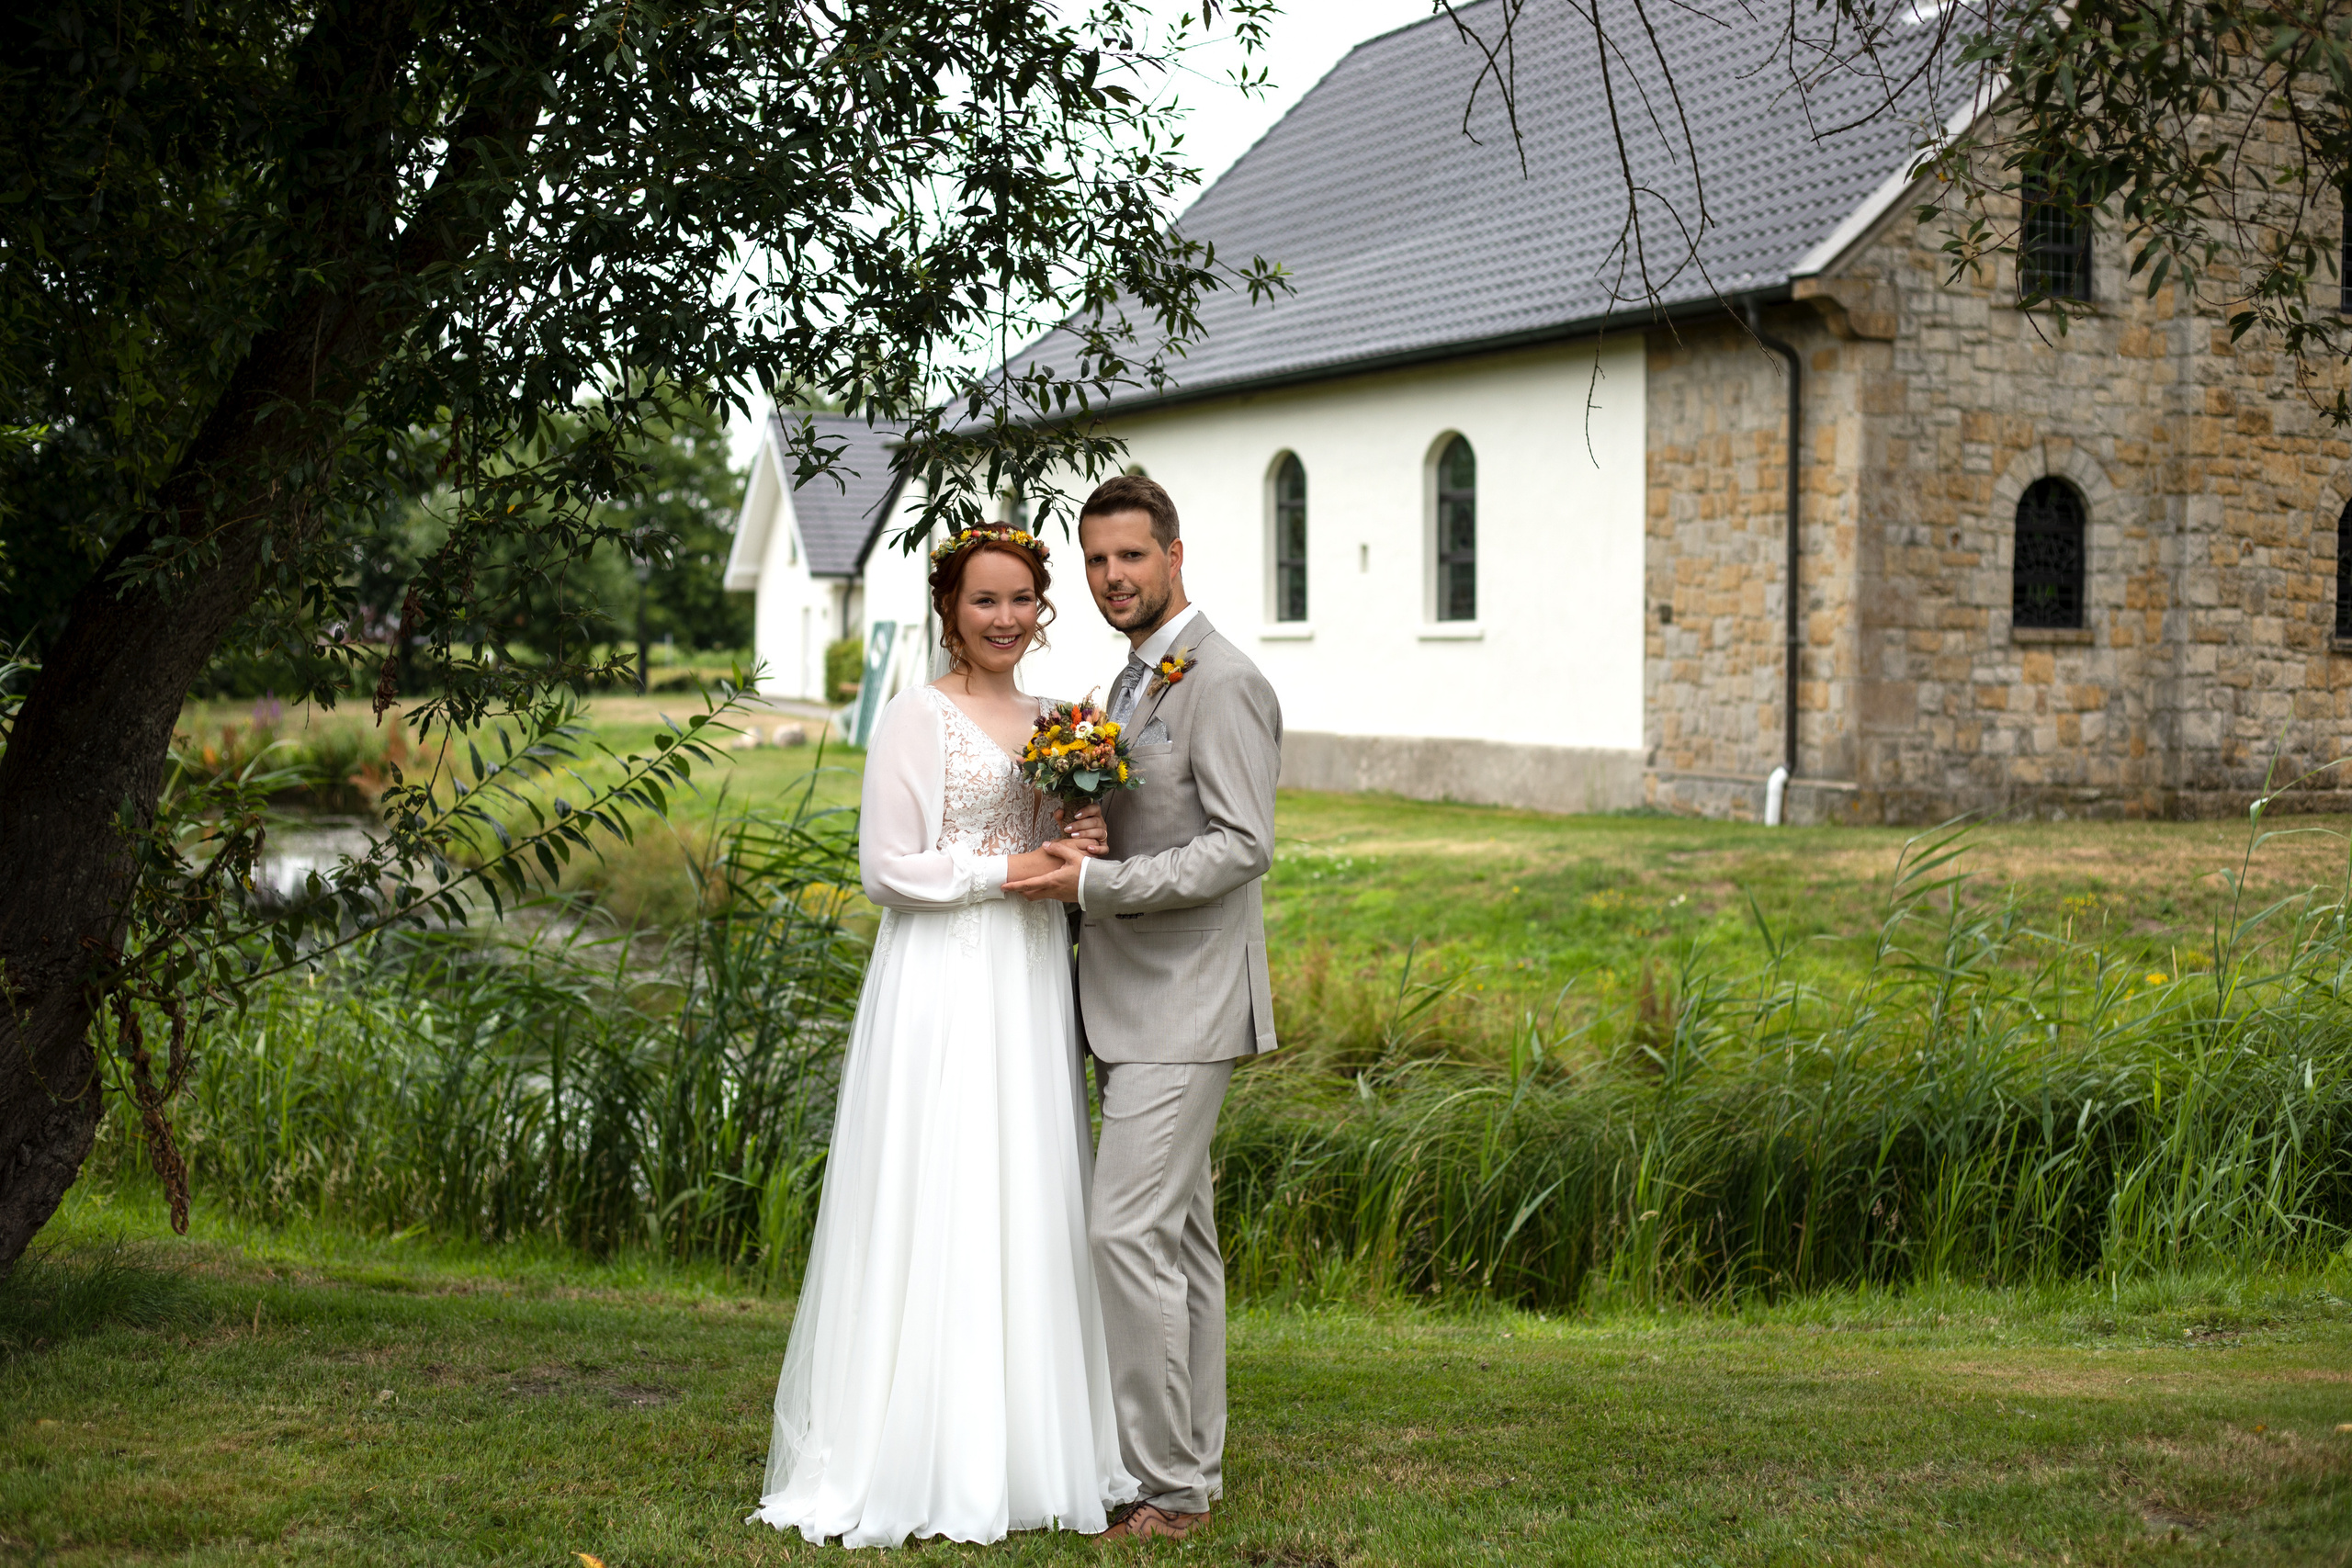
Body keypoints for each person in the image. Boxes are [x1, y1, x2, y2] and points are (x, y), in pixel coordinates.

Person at [750, 525, 1136, 1549]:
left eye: (1020, 600)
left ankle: (1027, 1448)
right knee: (945, 1179)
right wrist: (1012, 871)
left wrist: (1079, 839)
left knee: (1023, 1182)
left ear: (1039, 608)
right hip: (942, 975)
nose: (1004, 619)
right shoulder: (919, 718)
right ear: (950, 613)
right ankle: (916, 1446)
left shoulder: (1065, 721)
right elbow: (889, 870)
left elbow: (1065, 845)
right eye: (984, 602)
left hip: (1026, 976)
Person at [1005, 474, 1284, 1544]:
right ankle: (1191, 1469)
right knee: (1178, 1246)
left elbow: (1240, 845)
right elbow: (1143, 821)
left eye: (1130, 556)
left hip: (1184, 1004)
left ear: (1175, 555)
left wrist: (1094, 888)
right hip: (1123, 1001)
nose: (1112, 577)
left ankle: (1165, 1487)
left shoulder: (1222, 681)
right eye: (1096, 561)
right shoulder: (1128, 685)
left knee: (1123, 1232)